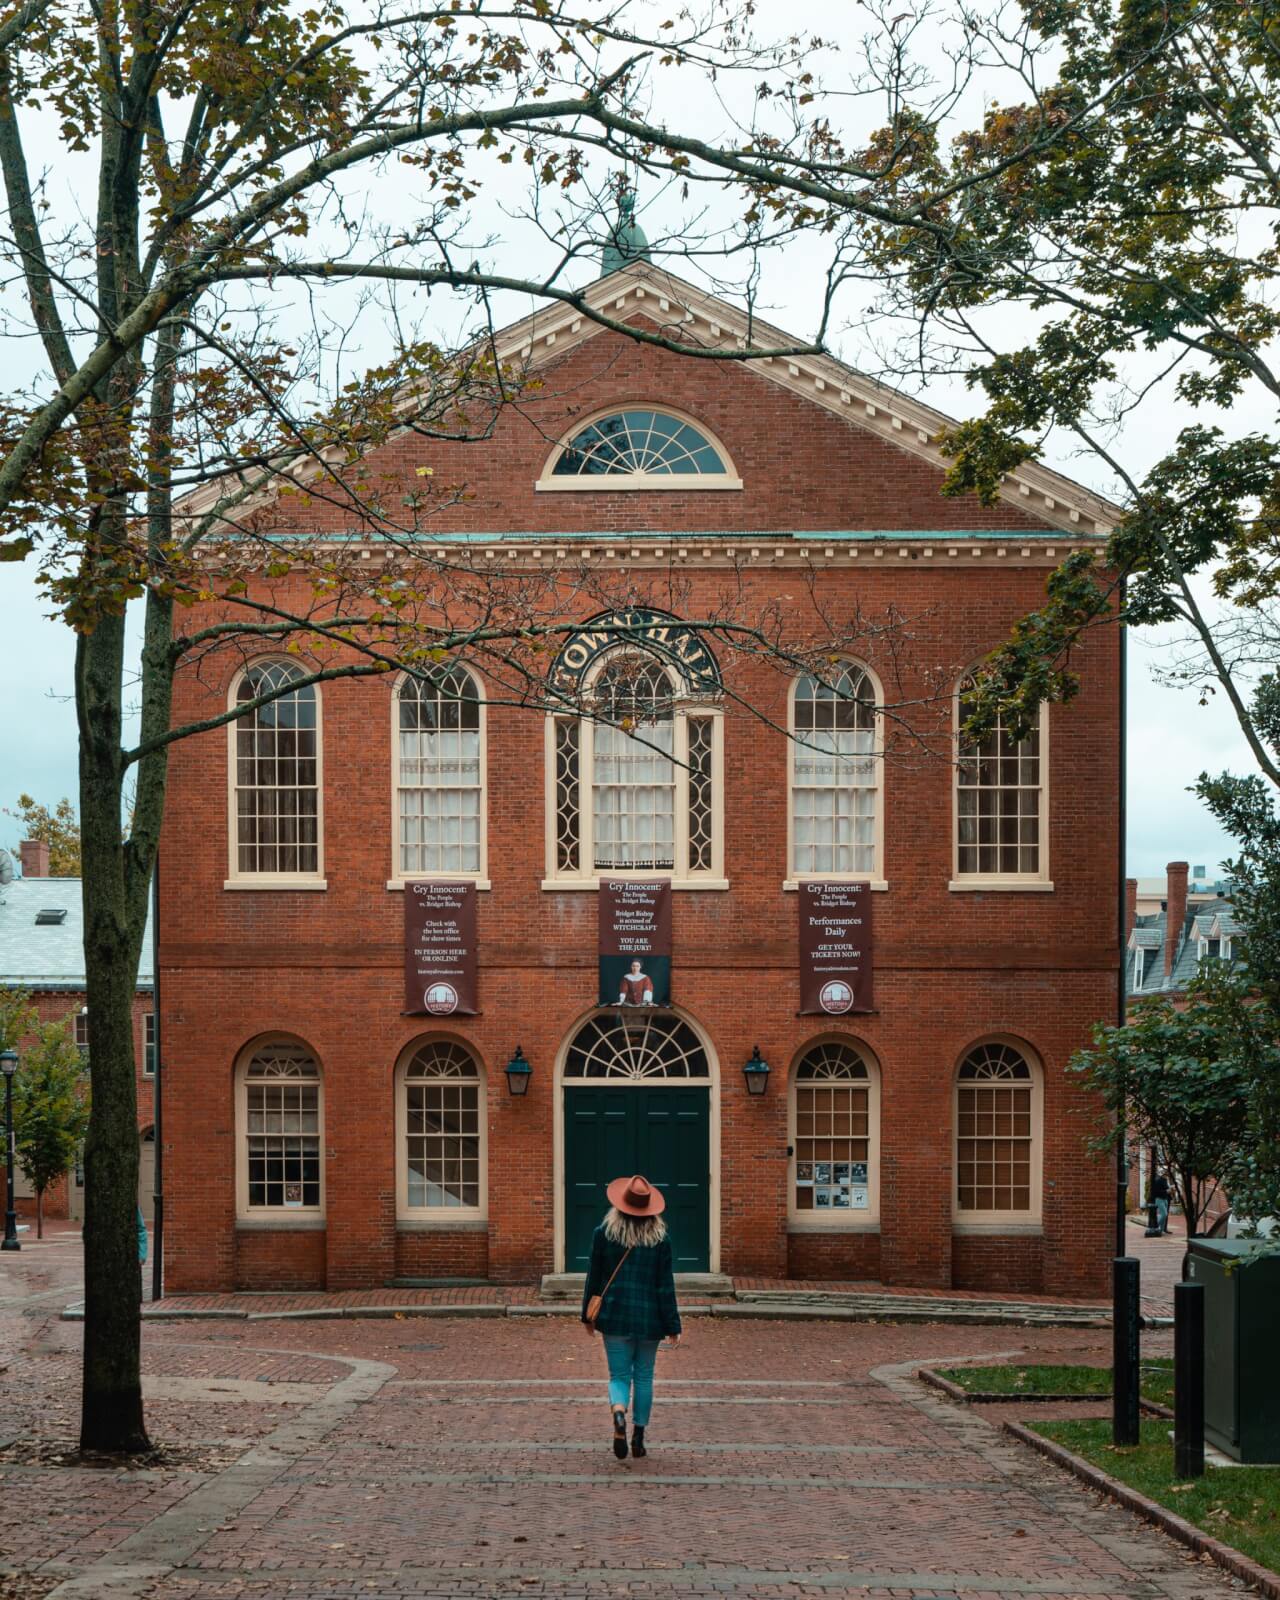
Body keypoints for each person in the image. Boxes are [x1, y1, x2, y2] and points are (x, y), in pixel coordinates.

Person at [581, 1173, 681, 1461]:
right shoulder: (661, 1240)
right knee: (645, 1376)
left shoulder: (603, 1234)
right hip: (650, 1319)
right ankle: (638, 1437)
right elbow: (665, 1286)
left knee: (619, 1375)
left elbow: (595, 1278)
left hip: (613, 1315)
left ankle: (619, 1412)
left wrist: (586, 1316)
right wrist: (673, 1324)